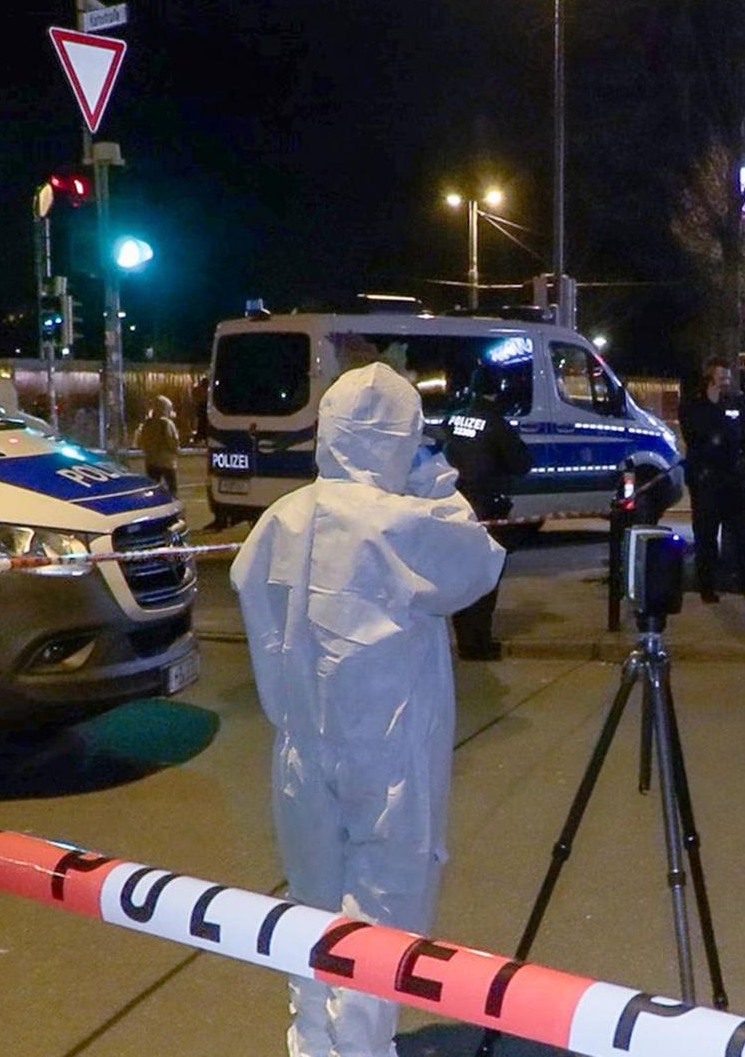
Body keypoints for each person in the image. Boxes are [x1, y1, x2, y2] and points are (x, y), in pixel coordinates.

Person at [230, 364, 505, 1057]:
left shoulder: (279, 519)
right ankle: (358, 1050)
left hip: (299, 745)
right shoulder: (398, 523)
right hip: (385, 755)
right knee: (380, 925)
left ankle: (312, 1045)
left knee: (310, 911)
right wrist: (437, 484)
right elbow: (477, 562)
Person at [442, 366, 533, 660]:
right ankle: (478, 643)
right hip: (486, 509)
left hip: (455, 507)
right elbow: (521, 464)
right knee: (485, 578)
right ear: (498, 389)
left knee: (462, 575)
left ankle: (466, 639)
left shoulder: (454, 419)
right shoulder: (496, 424)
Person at [681, 357, 745, 602]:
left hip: (734, 477)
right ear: (709, 378)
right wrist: (729, 432)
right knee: (706, 536)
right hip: (706, 478)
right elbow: (699, 436)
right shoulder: (693, 404)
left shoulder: (736, 401)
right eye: (722, 377)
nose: (726, 382)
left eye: (728, 377)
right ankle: (707, 587)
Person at [135, 394, 180, 495]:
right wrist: (176, 451)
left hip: (151, 461)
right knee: (172, 488)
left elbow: (142, 440)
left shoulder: (148, 423)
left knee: (153, 487)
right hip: (166, 461)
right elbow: (173, 441)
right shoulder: (167, 423)